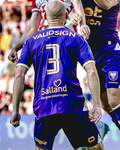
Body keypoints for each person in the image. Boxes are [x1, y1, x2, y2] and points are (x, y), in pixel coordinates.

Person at [10, 1, 105, 150]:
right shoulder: (76, 38)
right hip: (72, 104)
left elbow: (19, 75)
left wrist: (15, 110)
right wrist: (97, 106)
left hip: (44, 105)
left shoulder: (31, 42)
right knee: (96, 148)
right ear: (66, 15)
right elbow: (92, 71)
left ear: (45, 17)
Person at [69, 0, 120, 149]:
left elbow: (106, 5)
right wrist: (72, 15)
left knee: (114, 100)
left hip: (111, 50)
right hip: (92, 52)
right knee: (105, 103)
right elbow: (71, 9)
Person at [7, 0, 90, 63]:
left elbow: (77, 2)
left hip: (66, 37)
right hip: (45, 40)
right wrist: (15, 48)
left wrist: (83, 24)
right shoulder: (36, 1)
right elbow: (32, 28)